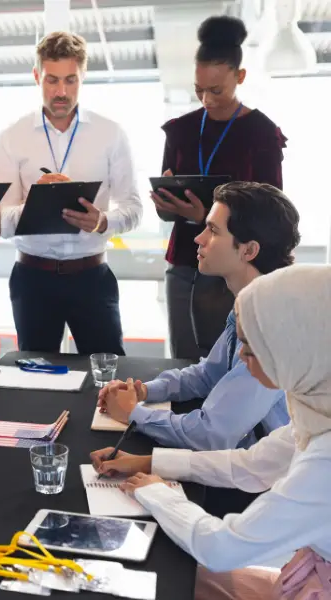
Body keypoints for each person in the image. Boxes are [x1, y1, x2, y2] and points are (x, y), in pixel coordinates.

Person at [90, 264, 331, 600]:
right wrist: (149, 462)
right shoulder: (319, 410)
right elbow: (251, 464)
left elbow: (221, 548)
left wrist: (159, 494)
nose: (243, 357)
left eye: (253, 345)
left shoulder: (324, 461)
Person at [99, 182, 298, 452]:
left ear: (249, 250)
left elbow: (211, 435)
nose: (199, 238)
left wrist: (133, 413)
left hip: (273, 479)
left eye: (213, 230)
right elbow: (208, 375)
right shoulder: (250, 302)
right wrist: (146, 391)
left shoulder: (273, 325)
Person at [0, 31, 142, 355]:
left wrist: (102, 221)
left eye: (71, 80)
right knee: (38, 381)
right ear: (37, 76)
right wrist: (35, 204)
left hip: (92, 276)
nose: (61, 92)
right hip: (32, 278)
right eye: (52, 80)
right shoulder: (11, 137)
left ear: (83, 77)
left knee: (108, 379)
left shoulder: (110, 134)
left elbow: (133, 208)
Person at [156, 15, 287, 361]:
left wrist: (206, 217)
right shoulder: (181, 130)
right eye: (199, 90)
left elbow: (273, 214)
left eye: (216, 90)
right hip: (186, 259)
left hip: (238, 265)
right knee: (184, 361)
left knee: (233, 361)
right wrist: (166, 202)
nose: (207, 100)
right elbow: (164, 208)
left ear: (239, 76)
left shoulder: (261, 134)